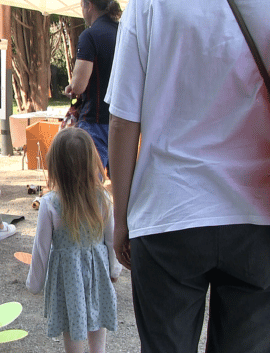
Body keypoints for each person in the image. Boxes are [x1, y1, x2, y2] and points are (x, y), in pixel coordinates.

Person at [105, 1, 270, 352]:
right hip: (257, 215)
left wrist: (121, 218)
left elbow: (122, 120)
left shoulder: (148, 5)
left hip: (167, 210)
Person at [26, 128, 120, 353]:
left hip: (68, 280)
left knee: (72, 326)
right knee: (98, 326)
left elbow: (41, 249)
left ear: (56, 166)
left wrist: (35, 283)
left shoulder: (49, 203)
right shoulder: (103, 198)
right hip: (97, 274)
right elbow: (111, 240)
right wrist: (114, 271)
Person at [64, 0, 121, 171]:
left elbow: (79, 86)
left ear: (88, 5)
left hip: (95, 120)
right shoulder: (124, 32)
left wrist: (72, 86)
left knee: (88, 184)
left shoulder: (89, 36)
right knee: (124, 186)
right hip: (123, 119)